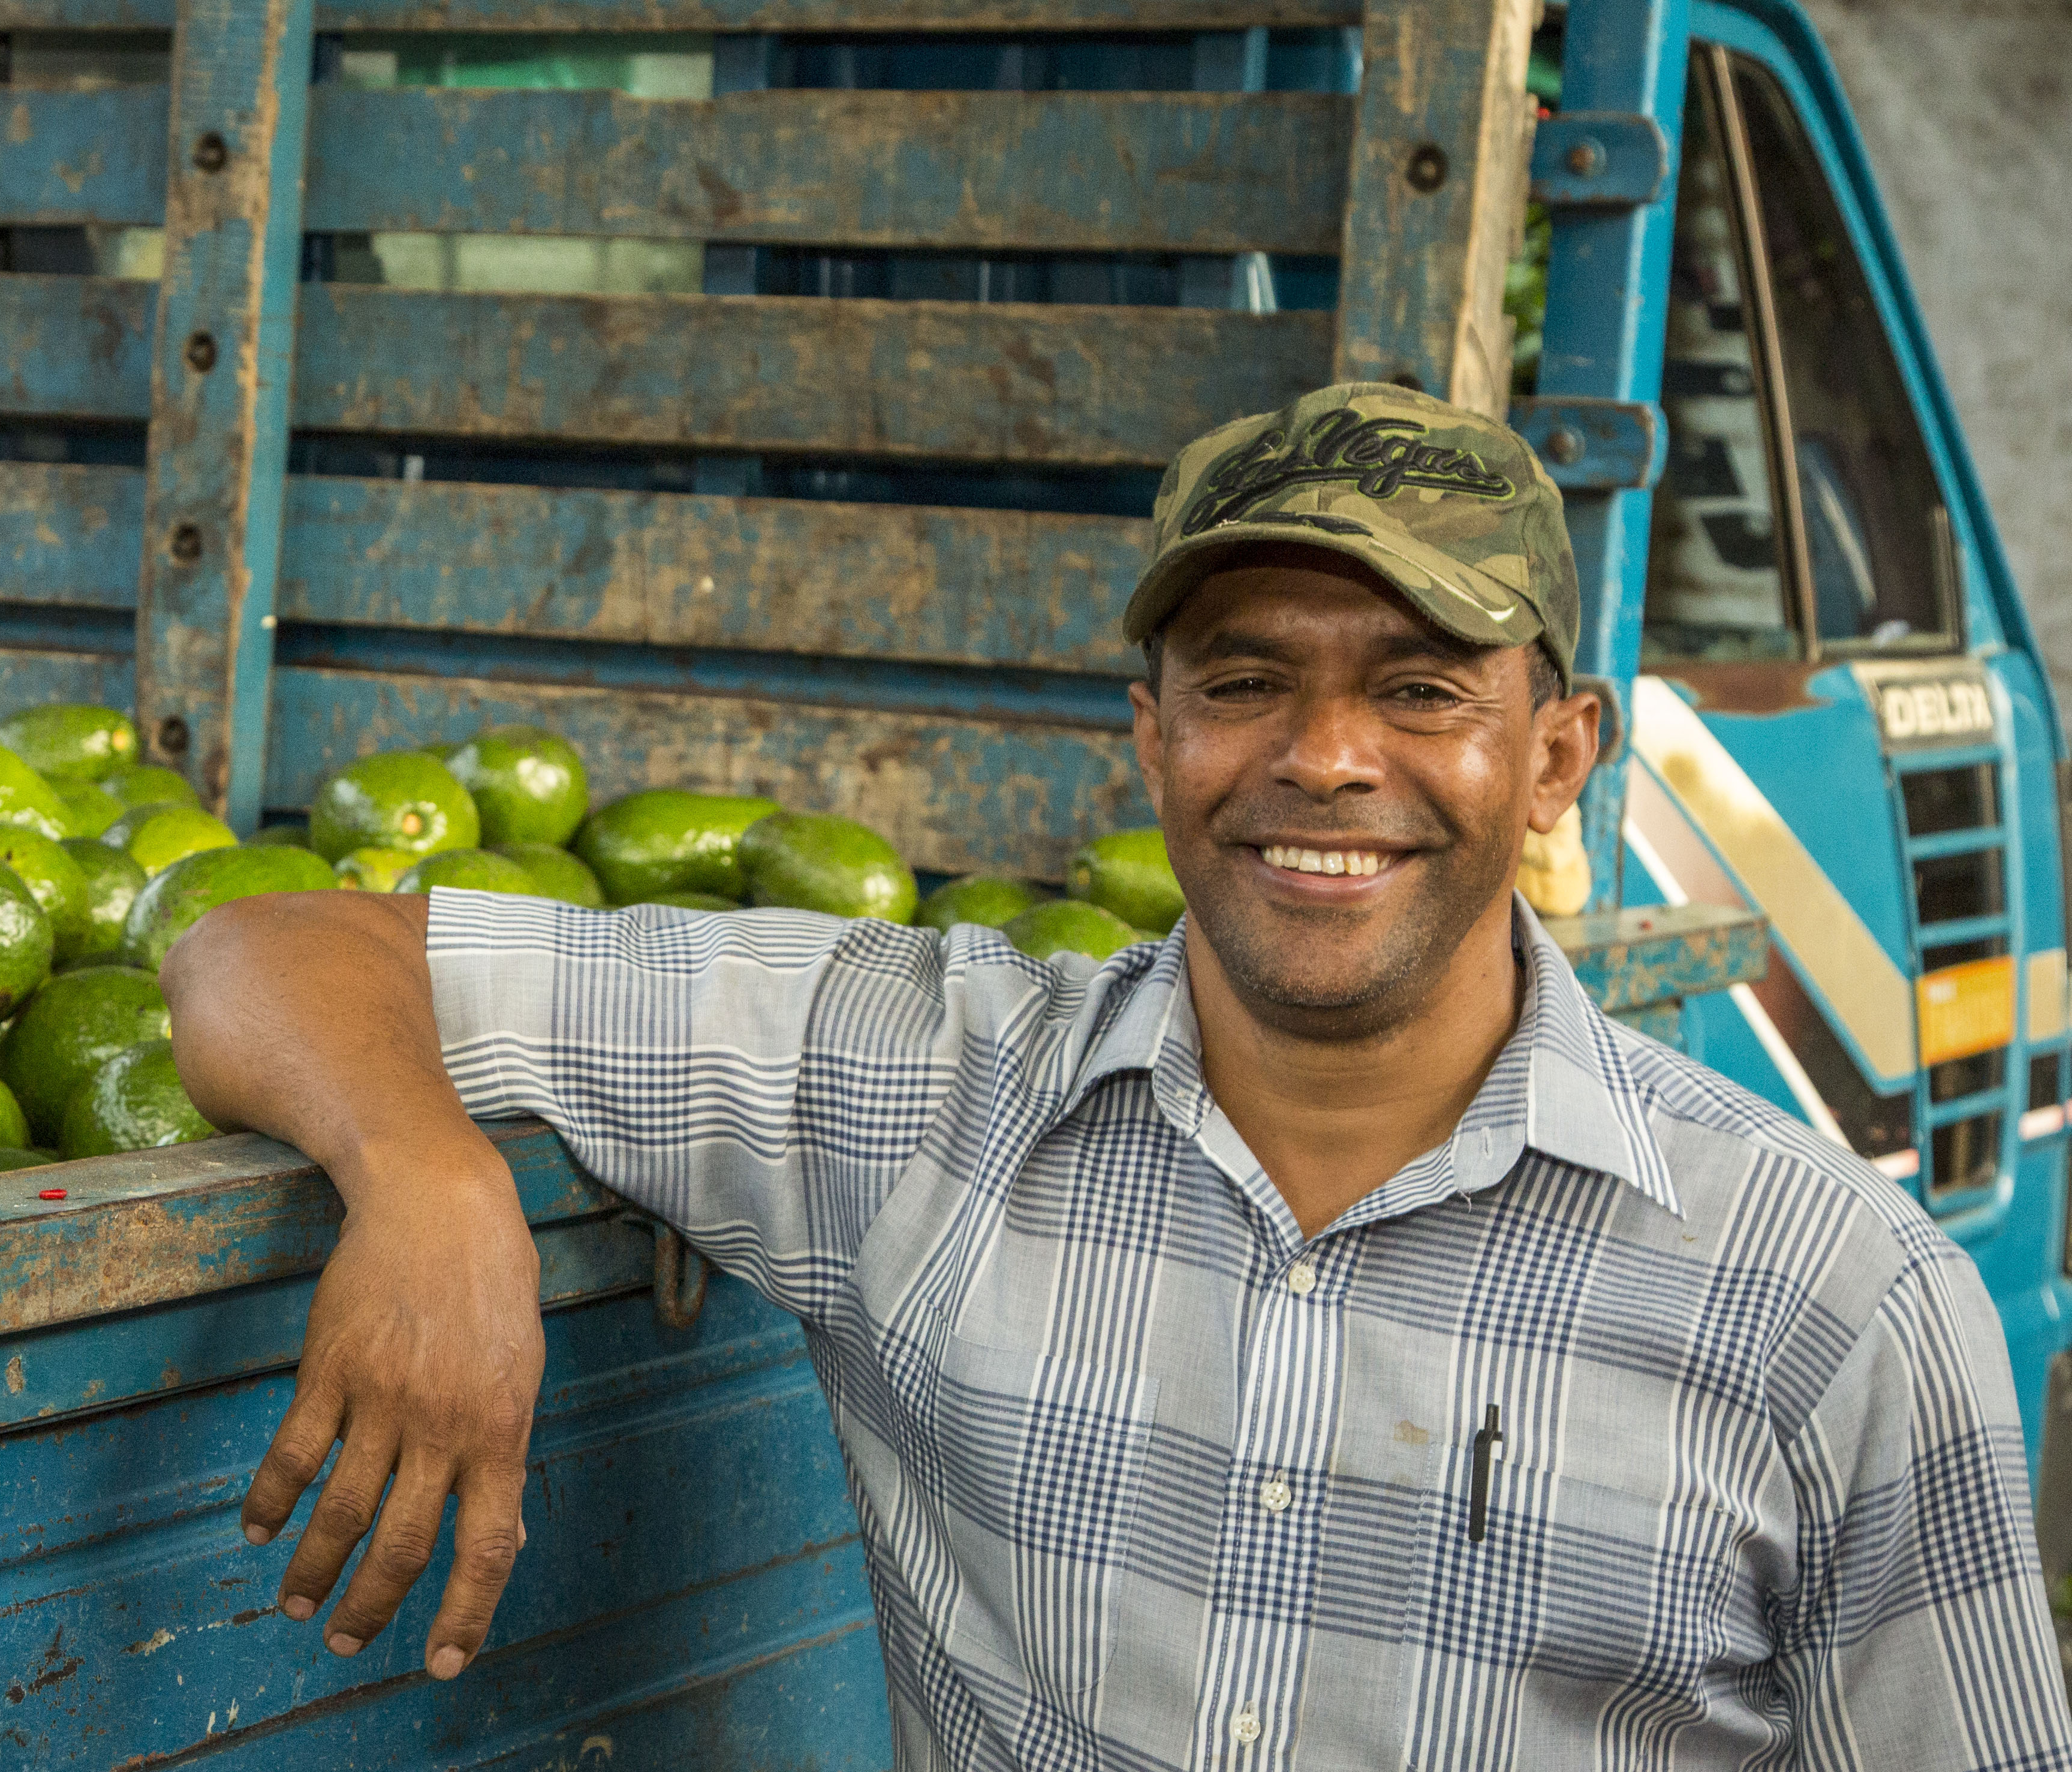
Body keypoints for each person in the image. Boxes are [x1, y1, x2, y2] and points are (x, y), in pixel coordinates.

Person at [164, 384, 2072, 1768]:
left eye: (1420, 688)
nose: (1324, 755)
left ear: (1559, 754)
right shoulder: (919, 1087)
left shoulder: (1827, 1306)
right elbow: (259, 949)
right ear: (1148, 737)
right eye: (1247, 681)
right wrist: (424, 1172)